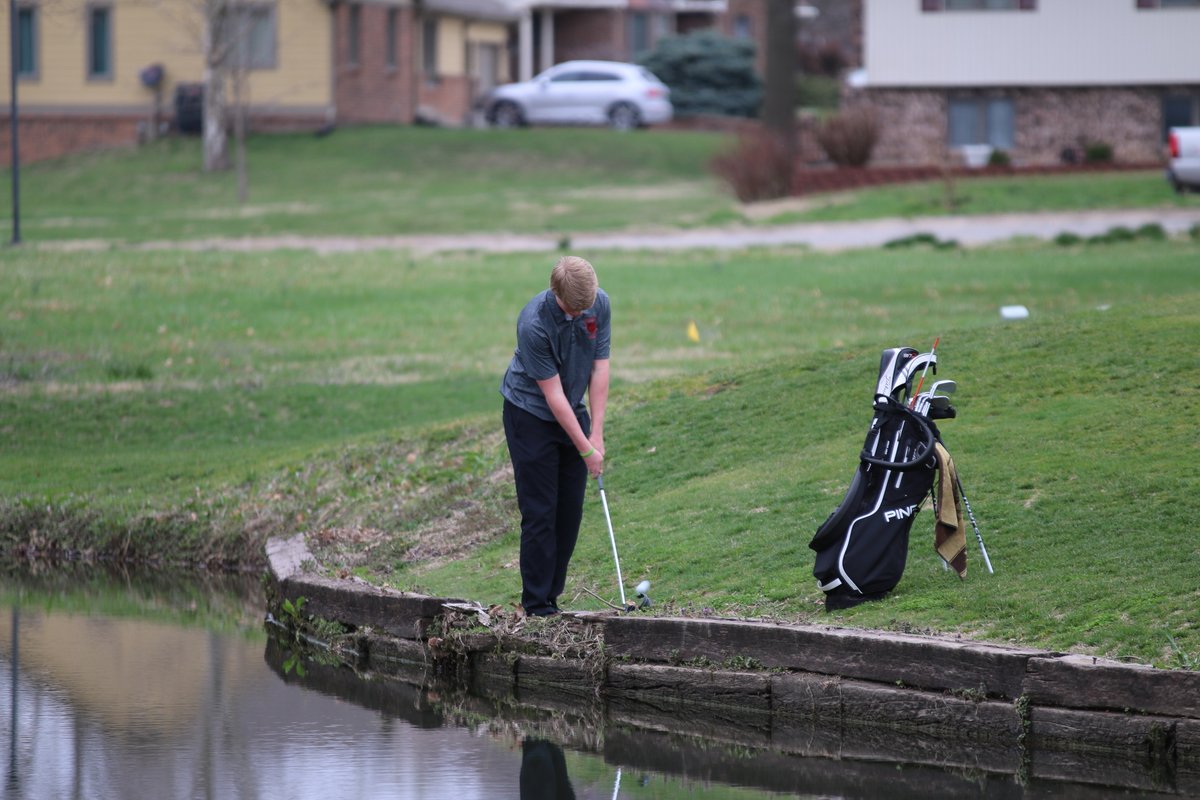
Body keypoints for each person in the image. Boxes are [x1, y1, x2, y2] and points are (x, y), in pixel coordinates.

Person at [500, 256, 610, 617]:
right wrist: (586, 449)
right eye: (574, 310)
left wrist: (596, 433)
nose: (582, 315)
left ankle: (552, 597)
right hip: (530, 415)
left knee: (569, 512)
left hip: (571, 408)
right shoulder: (534, 324)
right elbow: (553, 397)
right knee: (540, 512)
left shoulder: (598, 304)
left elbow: (599, 369)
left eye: (586, 308)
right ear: (557, 293)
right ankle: (536, 605)